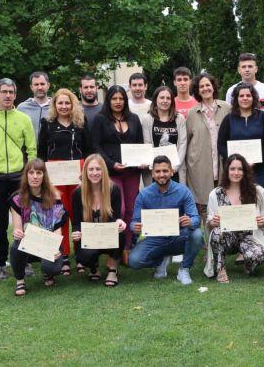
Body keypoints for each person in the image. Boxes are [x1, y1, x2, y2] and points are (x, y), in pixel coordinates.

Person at [0, 78, 37, 280]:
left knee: (26, 221)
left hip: (20, 179)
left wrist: (32, 176)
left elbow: (32, 150)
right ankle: (1, 263)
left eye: (11, 92)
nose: (8, 95)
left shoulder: (23, 119)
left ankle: (25, 260)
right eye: (4, 92)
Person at [37, 88, 90, 276]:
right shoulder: (47, 124)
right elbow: (41, 153)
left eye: (67, 103)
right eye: (60, 103)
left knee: (79, 213)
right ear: (55, 105)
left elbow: (89, 150)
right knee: (60, 214)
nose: (64, 106)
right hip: (55, 173)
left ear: (73, 104)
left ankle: (82, 255)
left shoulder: (81, 123)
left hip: (78, 172)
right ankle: (64, 254)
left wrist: (87, 171)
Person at [218, 81, 264, 249]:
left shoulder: (263, 117)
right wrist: (235, 162)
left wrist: (257, 159)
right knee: (241, 203)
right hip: (237, 171)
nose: (245, 98)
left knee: (260, 203)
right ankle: (242, 242)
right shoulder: (229, 119)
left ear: (254, 97)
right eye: (241, 96)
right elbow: (221, 145)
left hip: (262, 169)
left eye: (248, 95)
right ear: (235, 98)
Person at [128, 156, 203, 284]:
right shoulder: (144, 194)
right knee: (134, 261)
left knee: (197, 235)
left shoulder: (183, 191)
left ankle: (184, 269)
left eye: (165, 171)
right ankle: (161, 260)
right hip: (155, 239)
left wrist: (190, 222)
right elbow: (134, 221)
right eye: (157, 171)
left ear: (171, 172)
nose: (161, 175)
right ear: (152, 173)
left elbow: (196, 218)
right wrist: (134, 226)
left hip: (178, 236)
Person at [91, 85, 146, 257]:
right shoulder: (100, 119)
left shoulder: (134, 119)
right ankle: (113, 246)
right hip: (111, 172)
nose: (118, 102)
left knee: (131, 209)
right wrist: (110, 164)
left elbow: (140, 144)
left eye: (121, 98)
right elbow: (95, 146)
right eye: (114, 98)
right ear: (108, 100)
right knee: (118, 209)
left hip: (131, 172)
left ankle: (127, 247)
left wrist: (141, 160)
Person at [204, 154, 264, 283]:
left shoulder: (257, 191)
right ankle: (220, 268)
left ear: (245, 171)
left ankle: (247, 261)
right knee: (217, 233)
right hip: (226, 237)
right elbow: (209, 223)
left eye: (240, 169)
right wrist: (213, 222)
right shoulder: (215, 194)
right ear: (227, 171)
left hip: (249, 236)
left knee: (258, 256)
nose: (236, 173)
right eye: (232, 169)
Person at [8, 159, 67, 295]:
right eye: (31, 172)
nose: (35, 176)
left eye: (39, 173)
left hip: (47, 243)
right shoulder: (17, 198)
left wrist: (56, 248)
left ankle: (48, 273)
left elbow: (57, 229)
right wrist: (17, 233)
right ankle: (20, 280)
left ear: (44, 176)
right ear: (26, 175)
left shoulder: (54, 198)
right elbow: (17, 229)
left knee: (53, 267)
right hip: (28, 243)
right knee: (15, 246)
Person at [71, 154, 126, 287]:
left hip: (107, 236)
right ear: (85, 172)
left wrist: (120, 222)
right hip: (89, 238)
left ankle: (112, 269)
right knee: (84, 258)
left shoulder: (114, 190)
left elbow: (116, 216)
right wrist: (76, 232)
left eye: (98, 169)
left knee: (121, 233)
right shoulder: (77, 193)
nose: (94, 173)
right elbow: (76, 222)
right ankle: (93, 268)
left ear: (104, 171)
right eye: (91, 169)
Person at [185, 72, 231, 224]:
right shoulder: (192, 114)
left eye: (207, 85)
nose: (205, 88)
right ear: (197, 90)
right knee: (203, 204)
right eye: (201, 86)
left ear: (213, 87)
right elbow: (187, 140)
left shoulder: (226, 108)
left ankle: (223, 237)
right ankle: (205, 239)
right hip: (199, 165)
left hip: (222, 163)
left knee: (224, 199)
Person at [140, 86, 187, 185]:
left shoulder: (179, 119)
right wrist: (157, 169)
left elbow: (183, 143)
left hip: (175, 170)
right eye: (162, 98)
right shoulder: (147, 119)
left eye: (168, 98)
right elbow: (147, 143)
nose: (165, 101)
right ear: (155, 100)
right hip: (155, 170)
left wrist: (174, 167)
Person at [225, 53, 264, 121]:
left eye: (250, 66)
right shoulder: (231, 91)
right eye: (243, 67)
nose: (247, 69)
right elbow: (229, 114)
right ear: (239, 70)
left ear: (256, 69)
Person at [17, 71, 51, 140]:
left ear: (48, 86)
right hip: (28, 150)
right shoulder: (22, 108)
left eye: (42, 84)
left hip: (51, 150)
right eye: (36, 84)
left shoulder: (56, 107)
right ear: (31, 87)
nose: (39, 87)